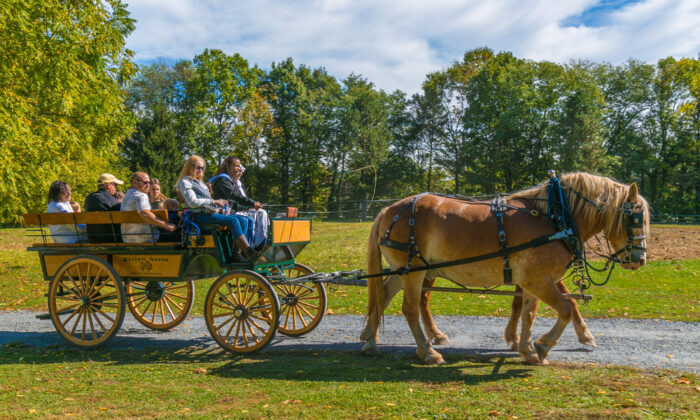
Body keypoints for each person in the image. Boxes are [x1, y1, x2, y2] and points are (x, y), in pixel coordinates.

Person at [176, 156, 257, 262]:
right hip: (198, 216)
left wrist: (220, 208)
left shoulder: (200, 183)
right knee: (233, 220)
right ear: (190, 167)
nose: (200, 170)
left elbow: (208, 203)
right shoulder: (185, 182)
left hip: (208, 213)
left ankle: (236, 254)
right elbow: (193, 203)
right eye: (197, 167)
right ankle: (248, 252)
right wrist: (214, 201)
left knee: (244, 220)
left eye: (202, 168)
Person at [210, 156, 269, 248]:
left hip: (231, 210)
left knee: (250, 219)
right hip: (223, 211)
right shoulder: (222, 180)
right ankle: (246, 249)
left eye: (239, 166)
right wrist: (252, 203)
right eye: (236, 166)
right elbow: (234, 195)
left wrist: (250, 205)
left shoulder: (229, 181)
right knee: (246, 219)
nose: (239, 168)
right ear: (228, 166)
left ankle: (253, 246)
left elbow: (236, 199)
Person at [120, 172, 176, 243]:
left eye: (149, 183)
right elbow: (144, 214)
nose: (148, 185)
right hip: (145, 238)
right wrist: (166, 225)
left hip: (126, 239)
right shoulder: (141, 196)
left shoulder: (126, 196)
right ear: (134, 183)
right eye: (145, 183)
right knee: (174, 234)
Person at [84, 173, 123, 242]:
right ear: (108, 185)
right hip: (111, 240)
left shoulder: (88, 198)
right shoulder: (113, 201)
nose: (116, 188)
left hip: (92, 239)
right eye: (115, 185)